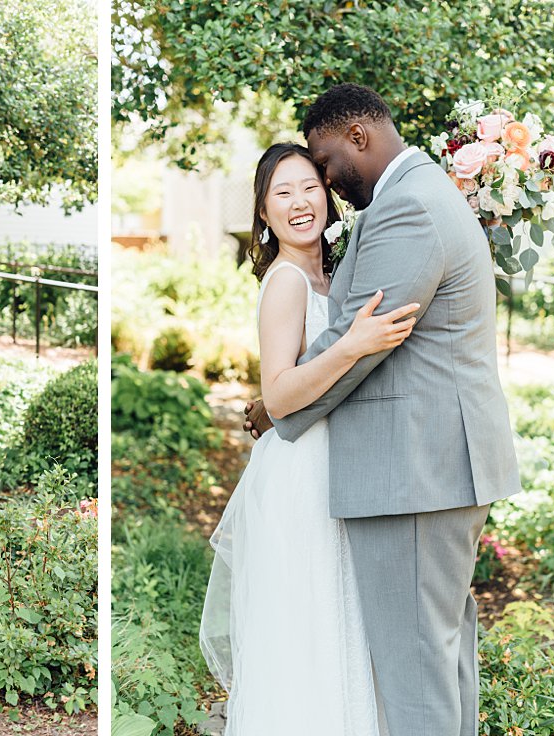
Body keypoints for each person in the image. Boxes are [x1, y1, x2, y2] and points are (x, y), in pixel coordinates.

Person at [241, 83, 521, 736]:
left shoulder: (408, 208)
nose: (326, 187)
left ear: (358, 138)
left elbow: (358, 347)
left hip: (415, 471)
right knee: (435, 662)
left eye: (324, 166)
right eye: (289, 187)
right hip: (421, 469)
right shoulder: (416, 196)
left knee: (418, 674)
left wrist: (275, 412)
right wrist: (276, 398)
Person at [200, 141, 420, 734]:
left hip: (337, 466)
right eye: (283, 193)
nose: (301, 202)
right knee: (312, 624)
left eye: (309, 187)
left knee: (341, 622)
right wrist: (353, 344)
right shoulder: (287, 282)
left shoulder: (333, 272)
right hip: (302, 472)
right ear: (264, 214)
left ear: (327, 194)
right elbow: (276, 394)